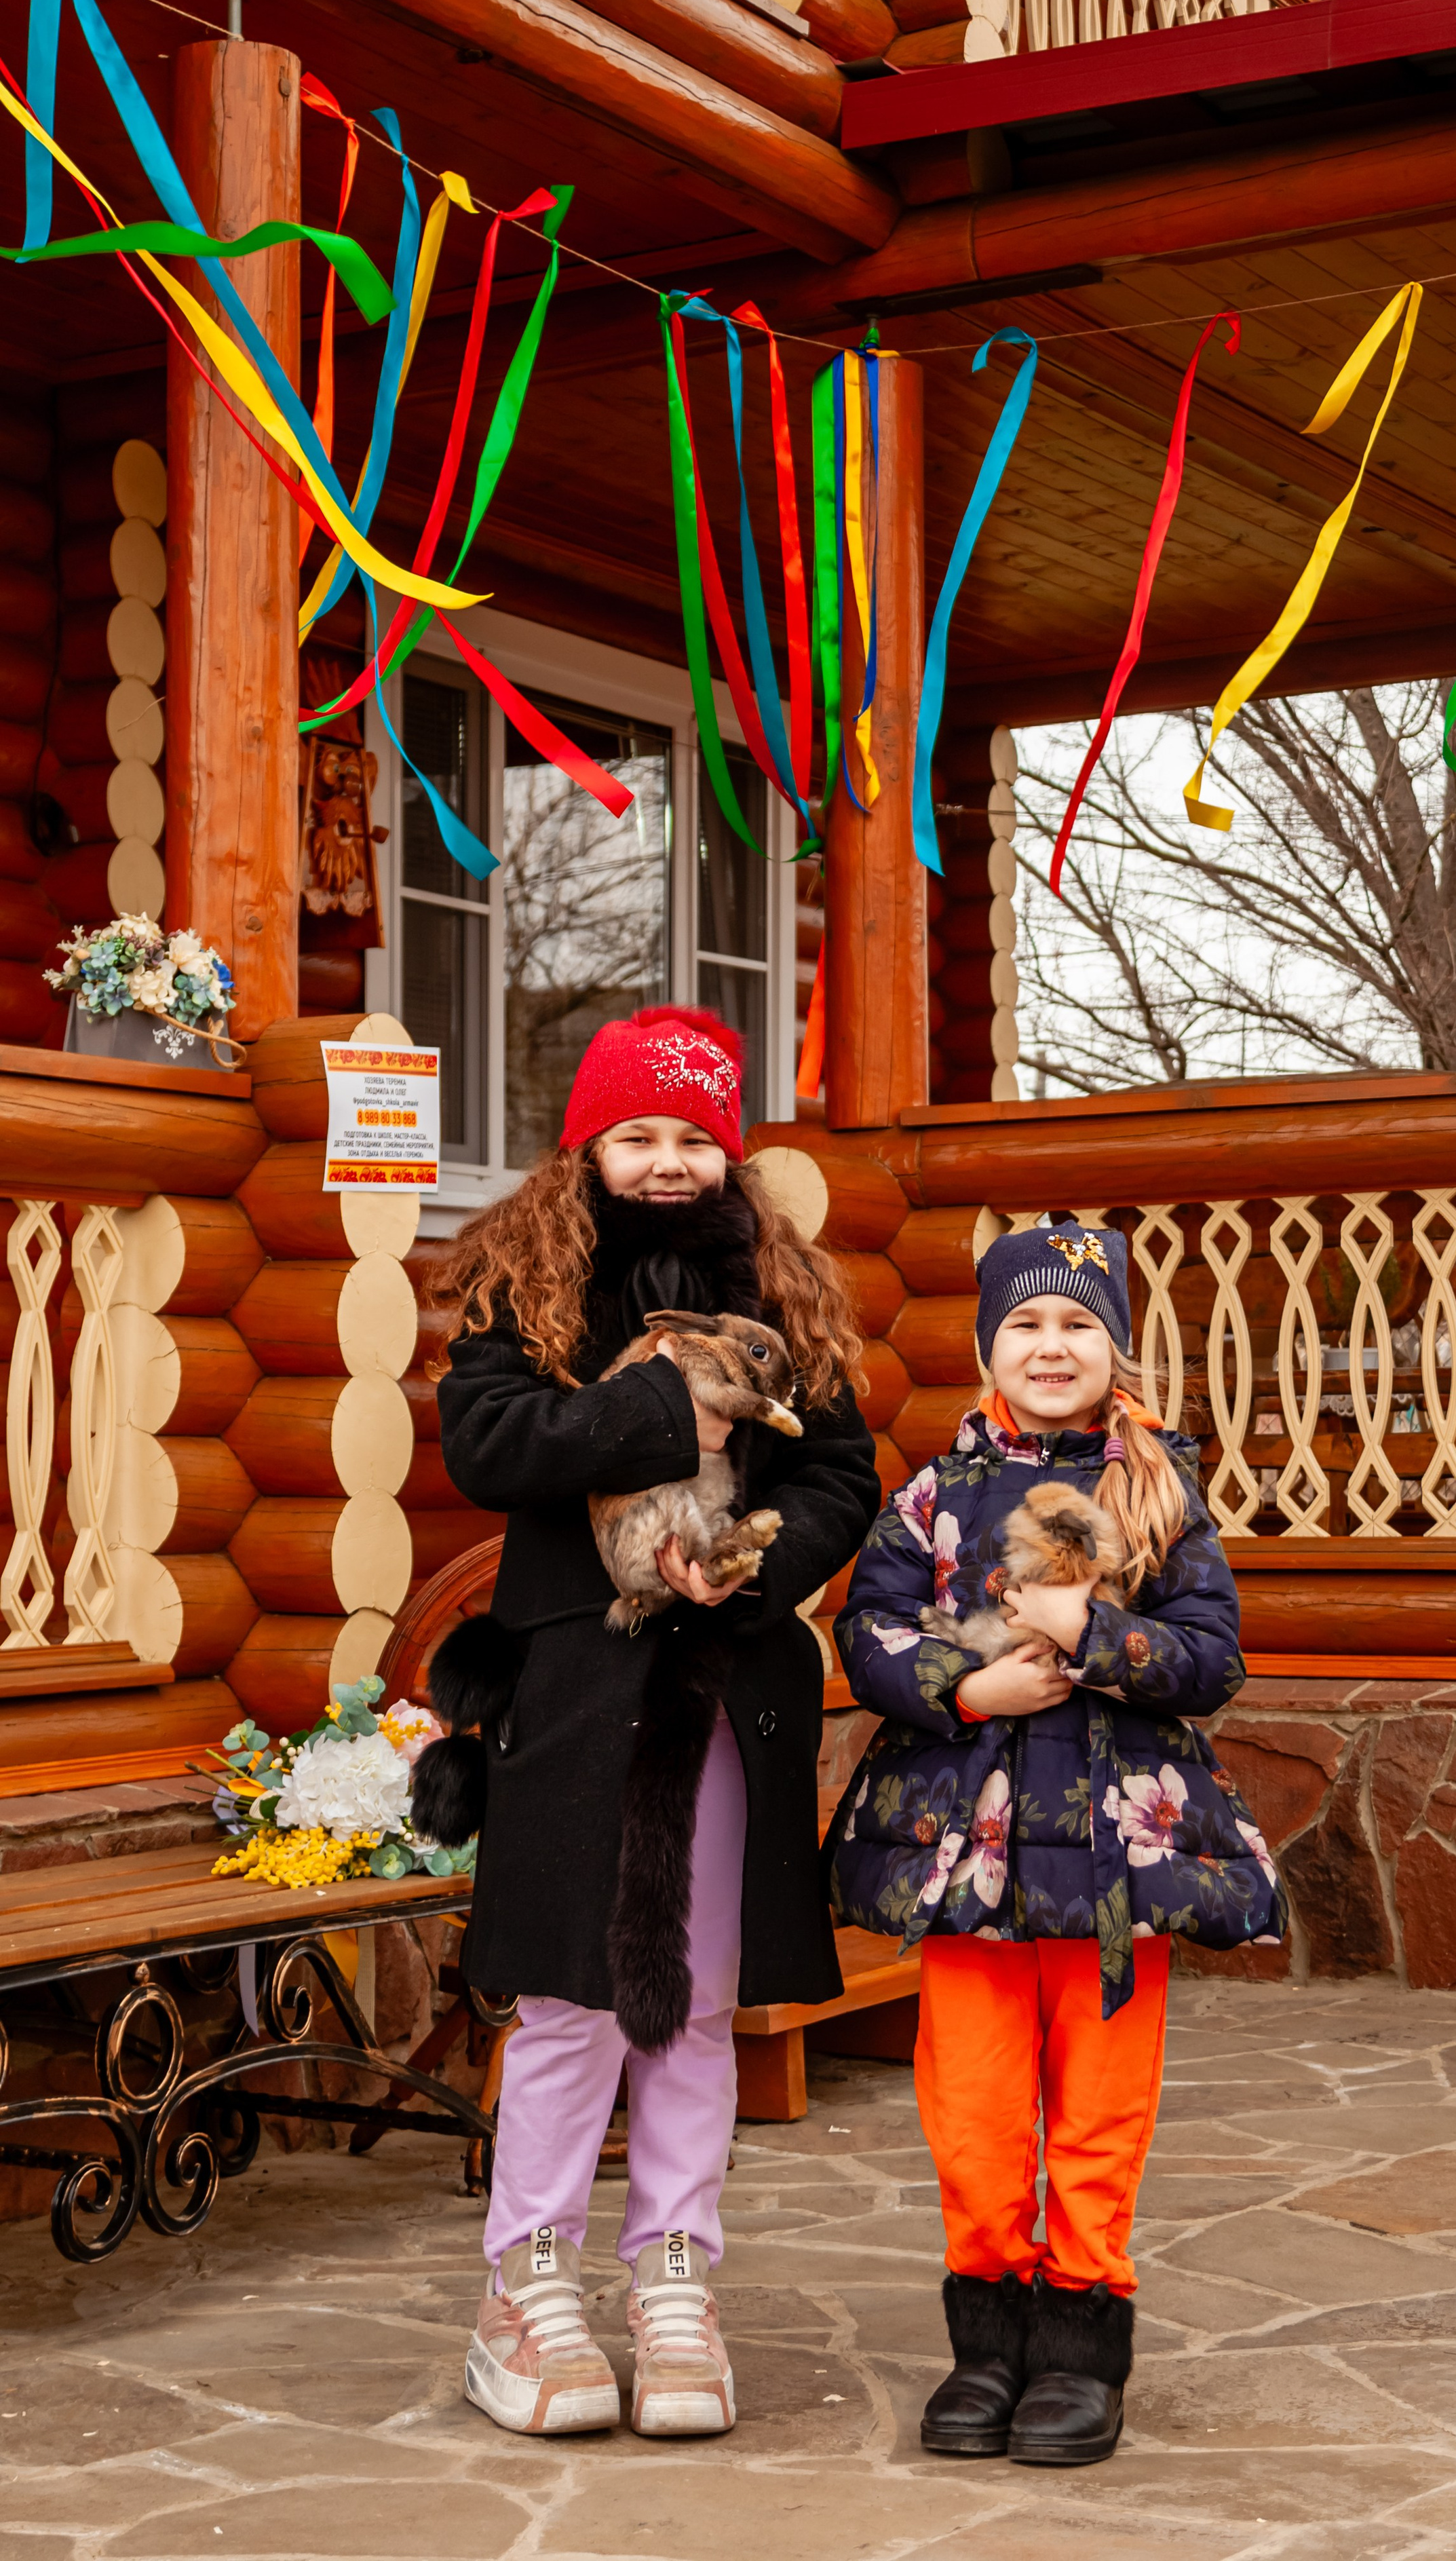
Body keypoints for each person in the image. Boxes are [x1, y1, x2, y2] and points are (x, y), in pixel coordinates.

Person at [427, 1006, 879, 2442]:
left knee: (689, 2008)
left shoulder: (783, 1297)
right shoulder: (524, 1294)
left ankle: (673, 2274)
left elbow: (842, 1479)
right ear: (589, 1149)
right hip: (576, 1689)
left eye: (695, 1137)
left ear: (726, 1152)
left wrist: (756, 1557)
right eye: (639, 1135)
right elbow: (490, 1448)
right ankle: (527, 2283)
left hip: (723, 1681)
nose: (669, 1162)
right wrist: (650, 1410)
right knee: (569, 2004)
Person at [829, 1223, 1284, 2467]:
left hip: (1112, 1875)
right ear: (987, 1348)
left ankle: (1080, 2348)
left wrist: (1095, 1636)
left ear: (1117, 1349)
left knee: (1096, 2112)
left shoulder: (1162, 1496)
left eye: (1079, 1324)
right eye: (1025, 1324)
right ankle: (987, 2345)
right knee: (972, 2112)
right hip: (969, 1862)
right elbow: (866, 1633)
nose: (1050, 1344)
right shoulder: (933, 1498)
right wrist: (968, 1693)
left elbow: (1214, 1658)